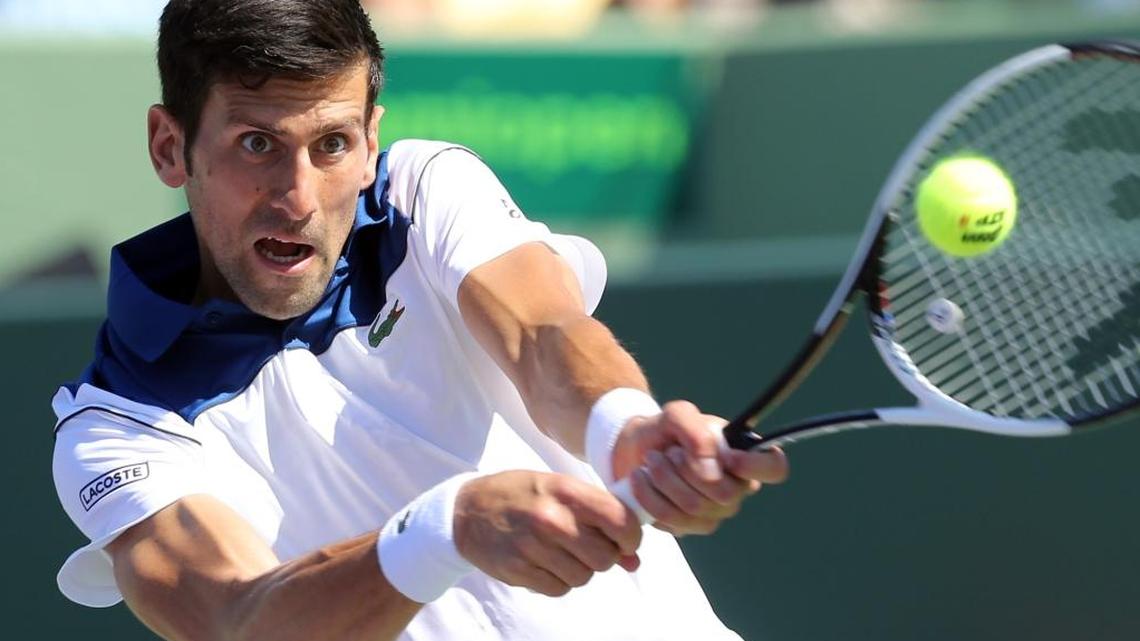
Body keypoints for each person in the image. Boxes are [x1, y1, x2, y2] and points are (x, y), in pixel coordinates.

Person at [50, 1, 788, 639]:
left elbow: (542, 333)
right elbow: (242, 620)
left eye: (332, 144)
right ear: (169, 146)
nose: (298, 195)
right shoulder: (117, 422)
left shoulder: (424, 192)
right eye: (257, 144)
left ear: (371, 141)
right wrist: (447, 529)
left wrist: (626, 431)